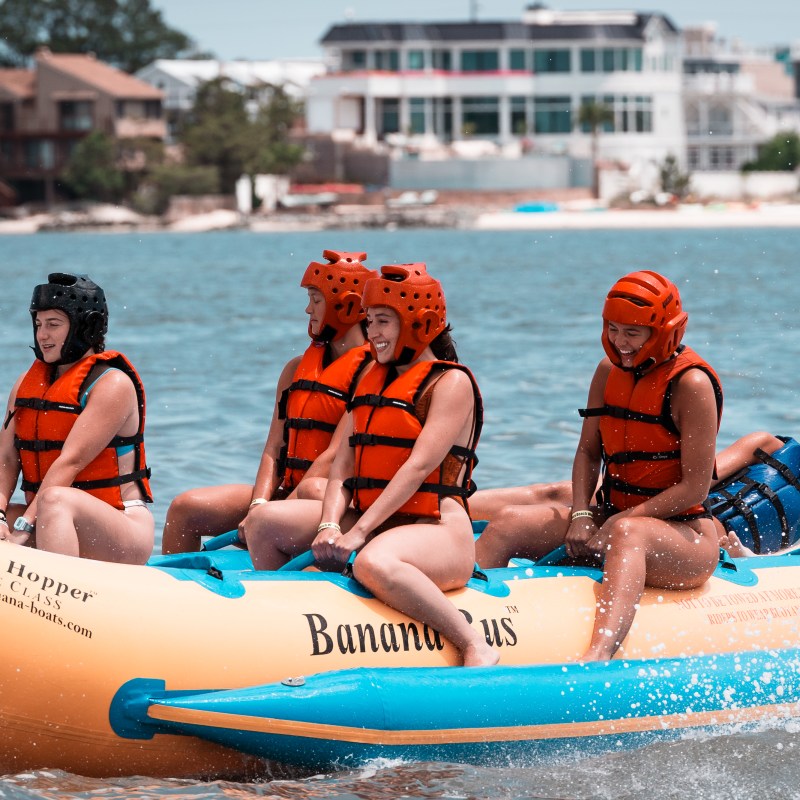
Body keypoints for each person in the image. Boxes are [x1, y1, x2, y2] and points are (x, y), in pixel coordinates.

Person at [246, 263, 498, 667]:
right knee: (265, 523)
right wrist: (330, 525)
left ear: (420, 323)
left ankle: (473, 644)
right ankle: (297, 629)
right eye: (370, 321)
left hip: (435, 527)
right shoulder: (371, 379)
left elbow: (417, 469)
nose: (373, 333)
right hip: (374, 520)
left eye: (383, 322)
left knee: (373, 560)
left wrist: (357, 532)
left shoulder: (450, 384)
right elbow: (343, 465)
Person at [478, 270, 723, 662]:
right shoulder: (608, 372)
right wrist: (579, 514)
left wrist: (620, 522)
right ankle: (467, 628)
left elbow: (695, 489)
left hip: (684, 538)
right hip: (611, 519)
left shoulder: (691, 384)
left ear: (663, 331)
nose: (620, 343)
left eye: (632, 333)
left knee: (628, 531)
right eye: (613, 329)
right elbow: (588, 453)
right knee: (509, 522)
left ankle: (599, 656)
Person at [161, 250, 376, 554]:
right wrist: (258, 505)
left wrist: (267, 517)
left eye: (316, 300)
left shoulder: (372, 375)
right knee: (185, 509)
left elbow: (332, 456)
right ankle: (173, 589)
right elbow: (273, 450)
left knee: (295, 501)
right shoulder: (294, 370)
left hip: (330, 500)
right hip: (287, 492)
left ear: (349, 305)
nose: (307, 310)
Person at [0, 273, 153, 563]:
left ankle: (60, 600)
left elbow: (69, 463)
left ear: (87, 326)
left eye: (53, 325)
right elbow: (6, 458)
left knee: (54, 501)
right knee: (49, 505)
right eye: (38, 324)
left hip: (121, 529)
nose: (42, 335)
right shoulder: (24, 384)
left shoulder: (112, 384)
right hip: (45, 519)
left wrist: (20, 531)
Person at [473, 431, 790, 562]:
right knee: (557, 492)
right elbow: (712, 472)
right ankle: (445, 502)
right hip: (687, 498)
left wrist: (748, 558)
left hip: (715, 531)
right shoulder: (771, 445)